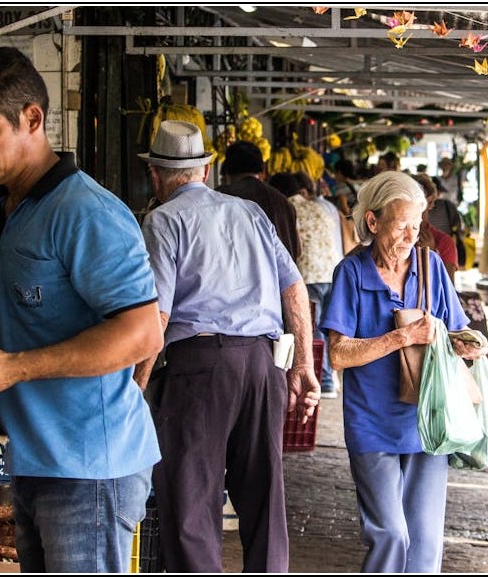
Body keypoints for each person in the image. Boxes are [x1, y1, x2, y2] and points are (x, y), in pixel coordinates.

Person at [0, 47, 164, 574]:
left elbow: (142, 334)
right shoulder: (2, 212)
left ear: (32, 119)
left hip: (90, 467)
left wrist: (13, 369)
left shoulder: (86, 213)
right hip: (33, 458)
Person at [135, 120, 320, 573]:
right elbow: (295, 289)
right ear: (204, 170)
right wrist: (304, 364)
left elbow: (157, 316)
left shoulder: (162, 219)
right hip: (262, 364)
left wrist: (134, 389)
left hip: (199, 368)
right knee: (264, 496)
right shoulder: (250, 213)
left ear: (156, 176)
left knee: (191, 504)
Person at [320, 170, 487, 573]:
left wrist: (468, 345)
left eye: (416, 224)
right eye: (401, 225)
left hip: (428, 420)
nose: (411, 235)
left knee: (426, 542)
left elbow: (457, 330)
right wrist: (401, 337)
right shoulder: (352, 274)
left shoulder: (430, 267)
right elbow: (339, 355)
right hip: (371, 424)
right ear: (373, 222)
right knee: (390, 533)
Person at [270, 171, 344, 398]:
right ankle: (331, 378)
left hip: (308, 276)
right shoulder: (320, 207)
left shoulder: (286, 209)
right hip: (332, 272)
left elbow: (295, 249)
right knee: (329, 328)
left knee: (310, 332)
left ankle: (326, 382)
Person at [218, 140, 301, 261]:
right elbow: (297, 250)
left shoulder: (221, 196)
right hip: (282, 278)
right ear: (262, 170)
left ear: (226, 170)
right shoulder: (283, 201)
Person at [412, 173, 458, 278]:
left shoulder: (443, 242)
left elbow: (448, 289)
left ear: (431, 203)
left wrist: (432, 254)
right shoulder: (396, 238)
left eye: (422, 205)